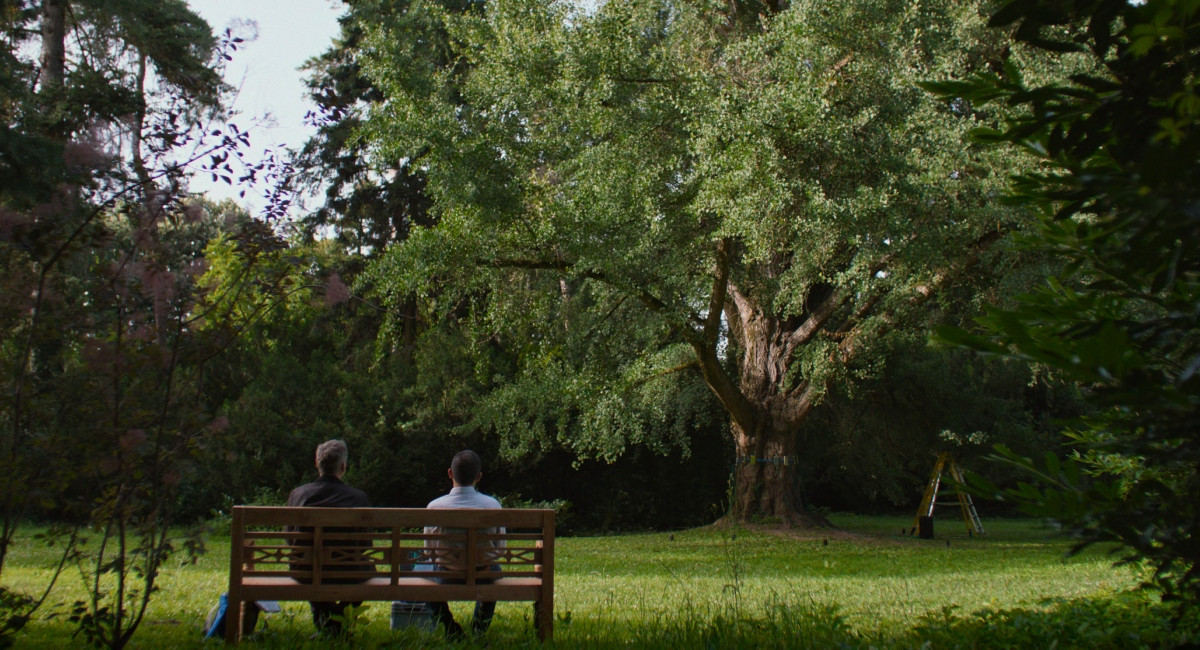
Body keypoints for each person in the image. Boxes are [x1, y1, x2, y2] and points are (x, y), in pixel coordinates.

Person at [286, 439, 372, 636]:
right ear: (343, 466)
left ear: (317, 464)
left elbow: (291, 538)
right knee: (367, 569)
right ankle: (335, 625)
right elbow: (366, 542)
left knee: (309, 567)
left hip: (305, 571)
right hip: (349, 570)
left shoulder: (298, 495)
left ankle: (328, 625)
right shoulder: (358, 498)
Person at [424, 449, 504, 638]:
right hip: (483, 574)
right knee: (495, 569)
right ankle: (479, 628)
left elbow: (428, 551)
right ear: (479, 476)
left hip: (445, 575)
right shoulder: (492, 505)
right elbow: (499, 549)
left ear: (450, 473)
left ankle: (449, 627)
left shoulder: (435, 507)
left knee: (422, 570)